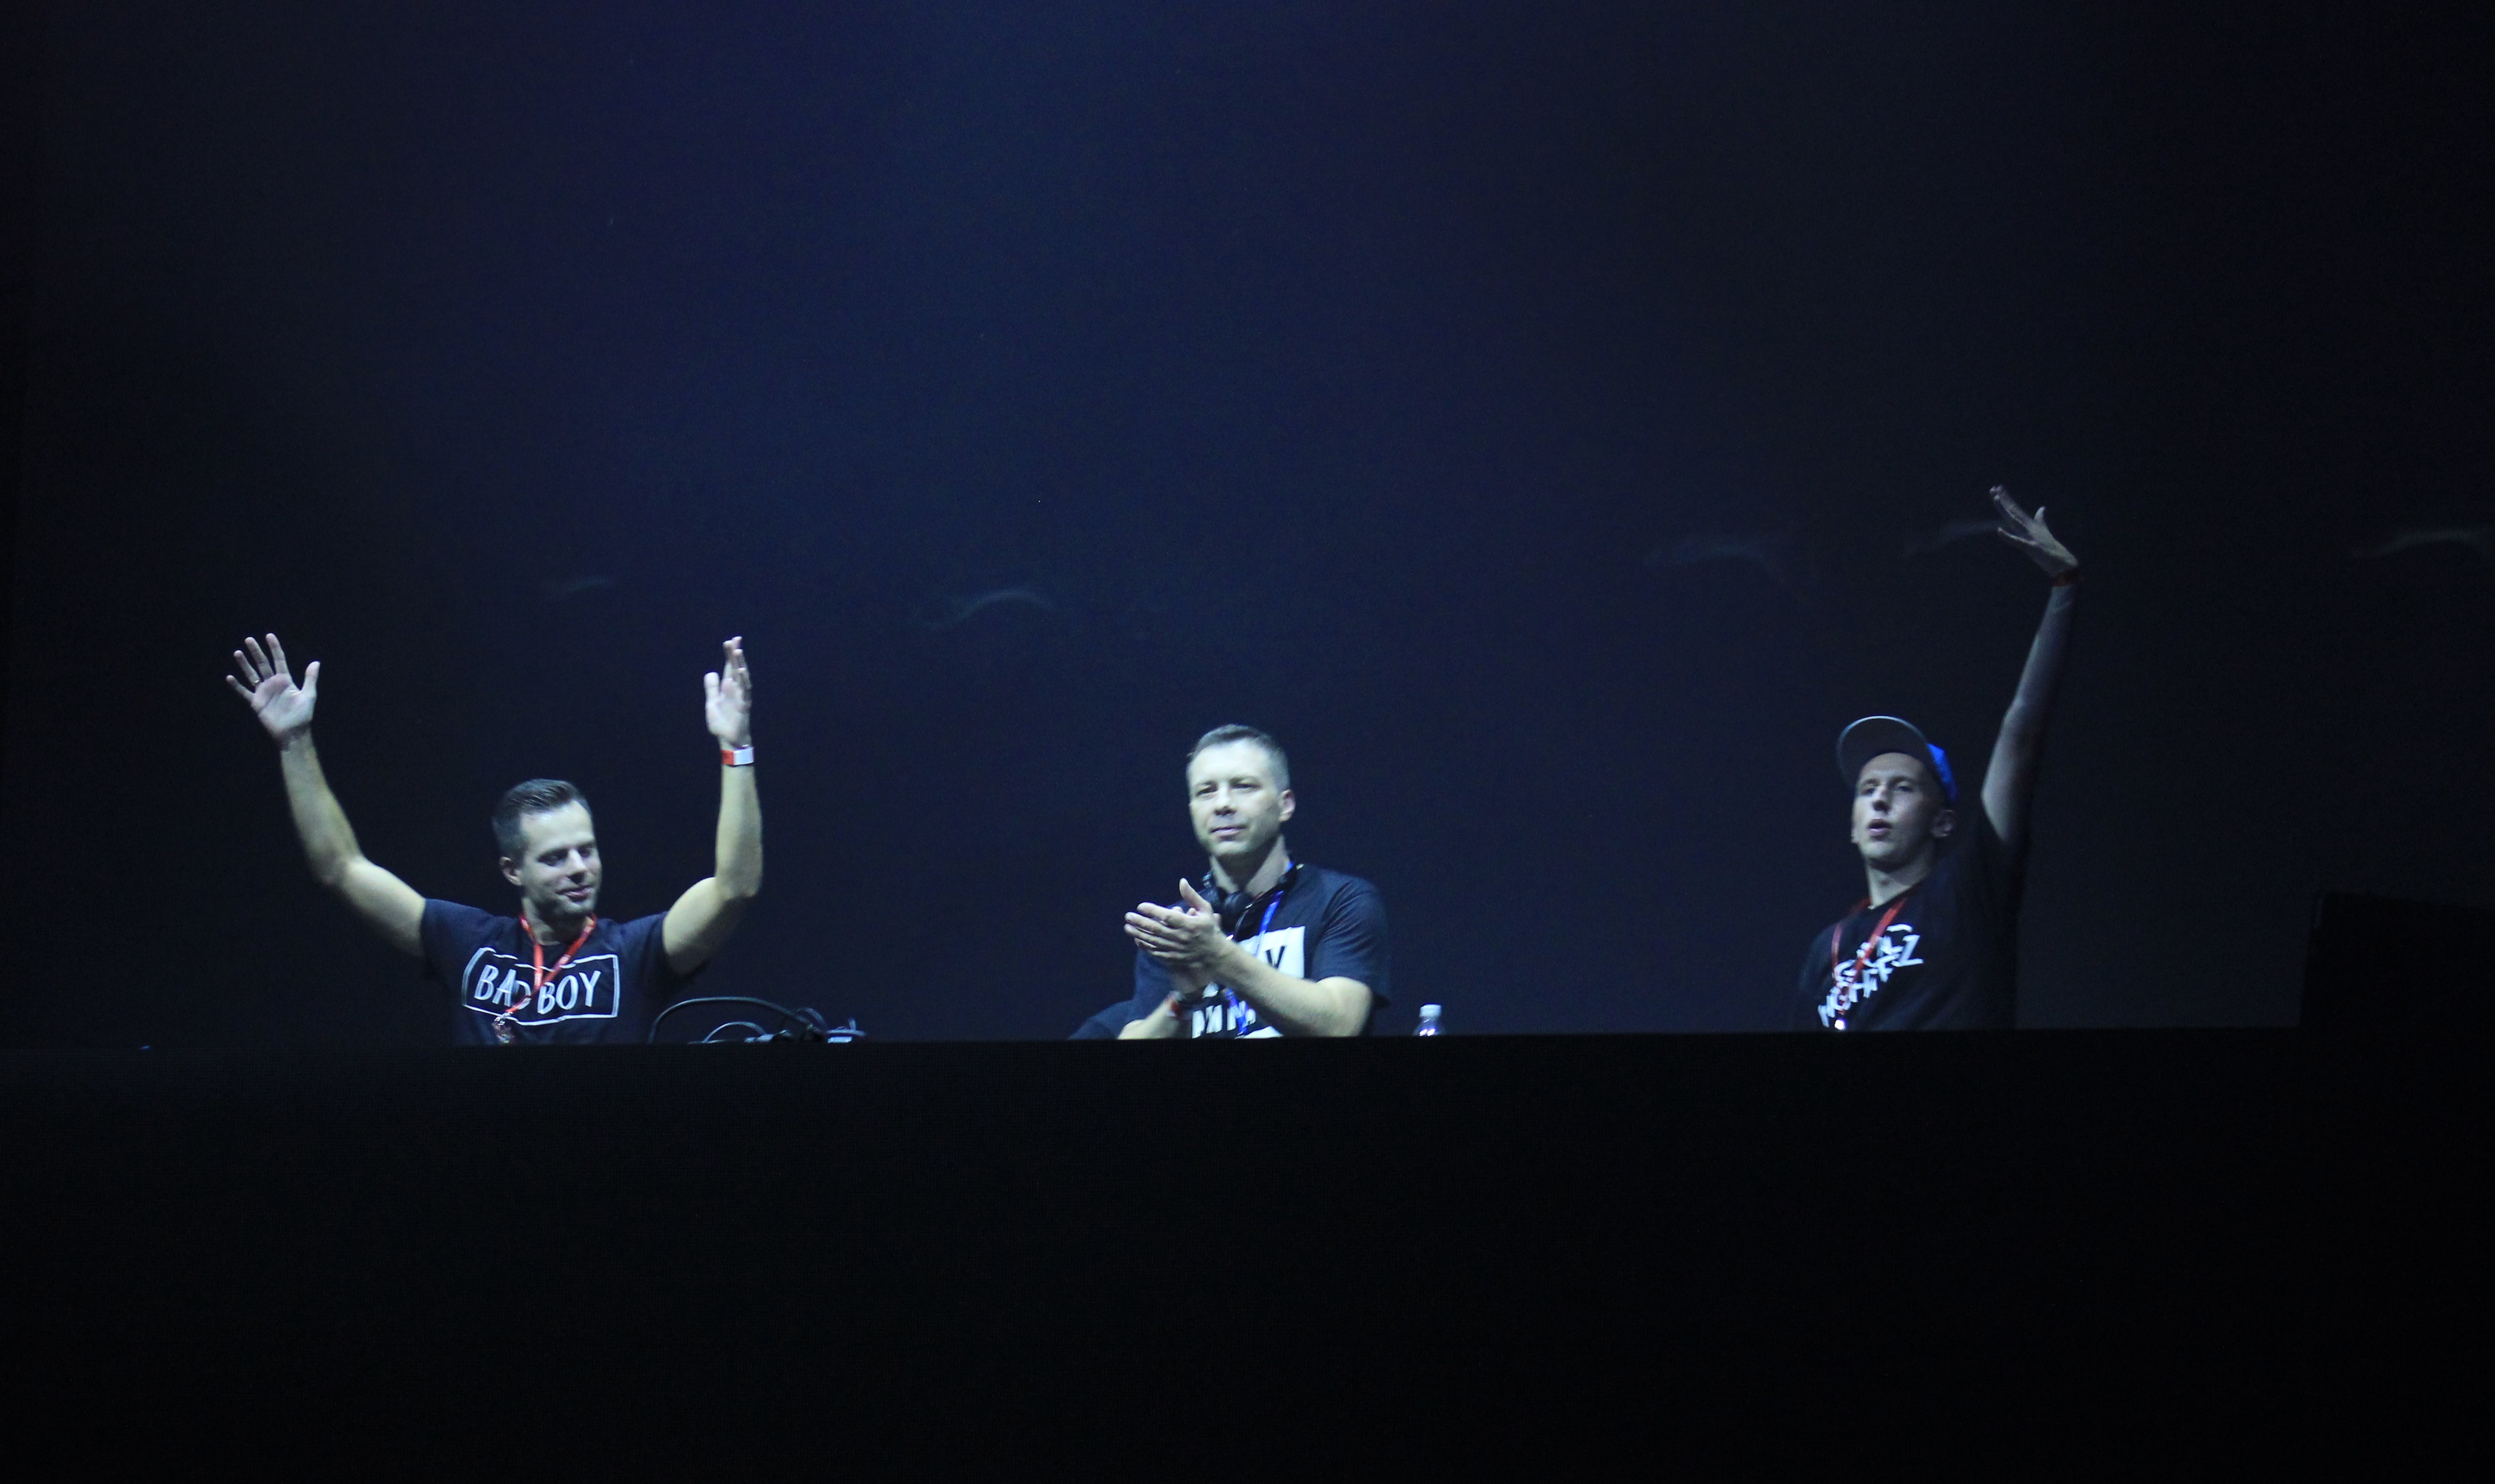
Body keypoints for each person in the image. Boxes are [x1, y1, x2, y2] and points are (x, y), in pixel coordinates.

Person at [227, 633, 762, 1044]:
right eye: (555, 857)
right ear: (512, 870)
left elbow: (734, 889)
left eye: (587, 850)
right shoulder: (470, 944)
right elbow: (341, 869)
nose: (579, 867)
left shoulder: (634, 954)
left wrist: (736, 747)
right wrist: (295, 741)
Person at [1797, 488, 2079, 1031]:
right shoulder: (1825, 950)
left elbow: (2020, 734)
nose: (1879, 798)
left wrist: (2064, 588)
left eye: (1902, 787)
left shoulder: (1967, 892)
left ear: (1943, 821)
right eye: (1867, 789)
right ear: (1852, 826)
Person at [1088, 725, 1389, 1039]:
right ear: (1192, 811)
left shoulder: (1342, 900)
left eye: (1243, 786)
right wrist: (1184, 1001)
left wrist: (1220, 956)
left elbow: (1340, 1024)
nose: (1222, 804)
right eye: (1206, 792)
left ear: (1285, 805)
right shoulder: (1179, 931)